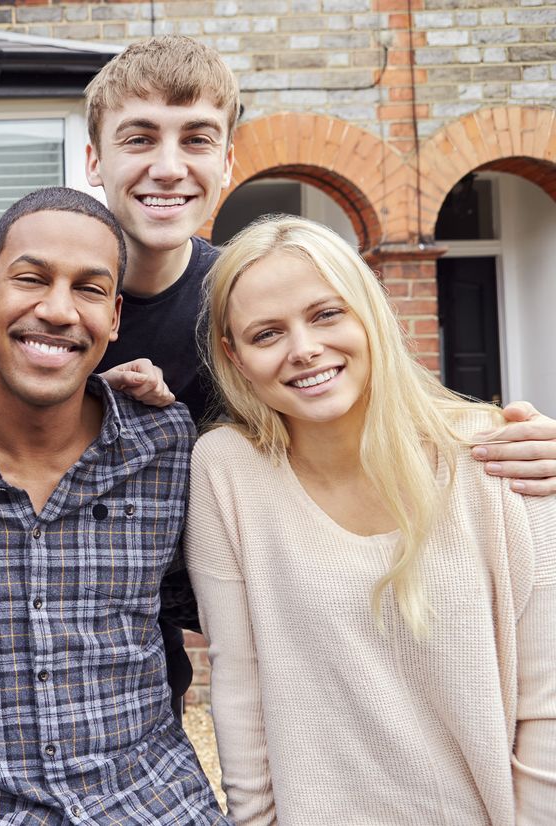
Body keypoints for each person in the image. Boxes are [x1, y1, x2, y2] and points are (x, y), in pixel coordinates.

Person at [0, 34, 556, 717]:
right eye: (140, 138)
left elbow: (372, 398)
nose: (167, 166)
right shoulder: (15, 284)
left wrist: (498, 436)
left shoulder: (243, 299)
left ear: (227, 162)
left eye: (196, 140)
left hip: (146, 653)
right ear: (94, 159)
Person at [0, 187, 229, 825]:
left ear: (114, 317)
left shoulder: (164, 446)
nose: (57, 310)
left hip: (154, 802)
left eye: (89, 289)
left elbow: (239, 601)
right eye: (31, 278)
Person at [186, 215, 556, 824]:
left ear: (369, 312)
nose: (304, 348)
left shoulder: (498, 456)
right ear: (236, 355)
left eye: (326, 314)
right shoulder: (227, 471)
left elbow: (545, 704)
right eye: (267, 333)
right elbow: (239, 686)